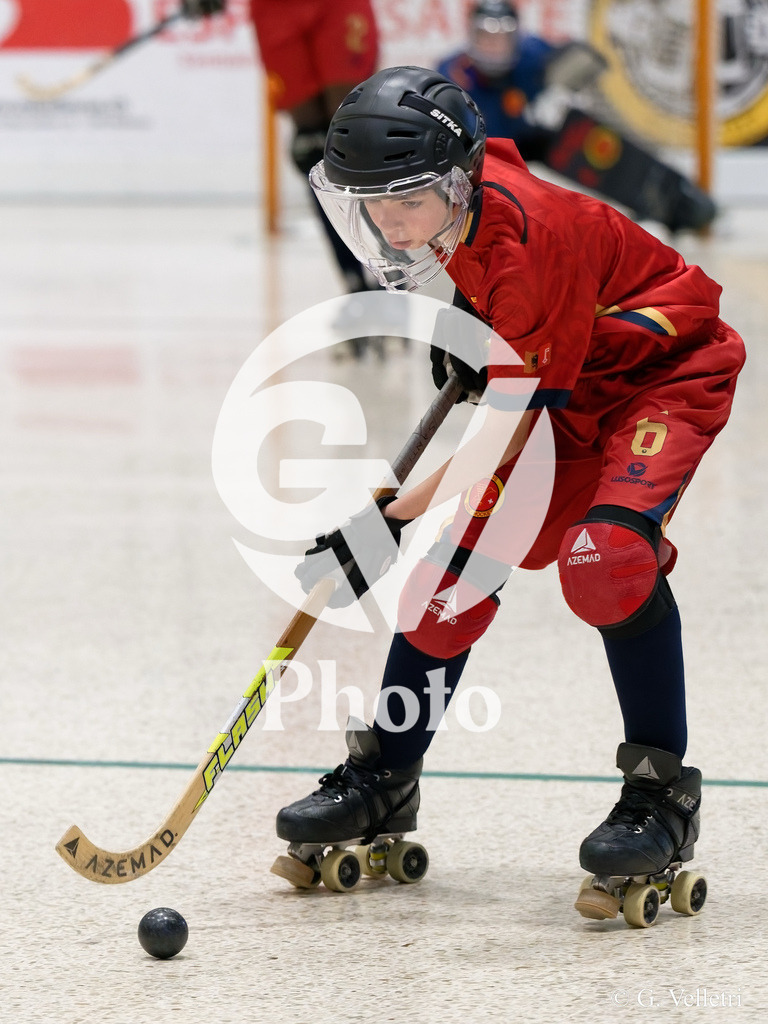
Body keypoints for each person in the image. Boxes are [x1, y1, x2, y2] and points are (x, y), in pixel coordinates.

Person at [273, 65, 746, 914]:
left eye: (407, 202)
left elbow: (497, 432)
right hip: (568, 377)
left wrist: (387, 520)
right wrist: (477, 325)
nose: (390, 223)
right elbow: (506, 326)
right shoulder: (463, 197)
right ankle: (387, 775)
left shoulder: (531, 244)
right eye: (372, 205)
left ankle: (661, 795)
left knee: (606, 560)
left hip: (661, 376)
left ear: (457, 184)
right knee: (446, 585)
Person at [437, 0, 716, 233]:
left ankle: (672, 198)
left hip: (534, 143)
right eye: (485, 36)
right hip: (485, 162)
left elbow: (577, 59)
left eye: (502, 37)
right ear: (471, 35)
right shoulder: (452, 74)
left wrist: (558, 84)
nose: (493, 46)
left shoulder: (531, 53)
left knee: (580, 135)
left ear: (515, 36)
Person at [183, 0, 380, 297]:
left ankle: (392, 262)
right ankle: (352, 279)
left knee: (352, 131)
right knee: (313, 147)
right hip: (274, 9)